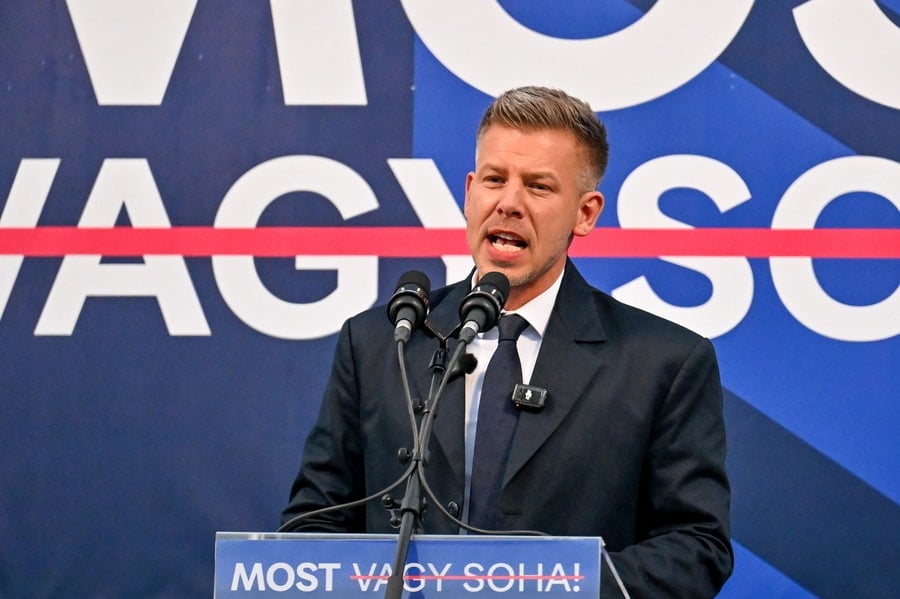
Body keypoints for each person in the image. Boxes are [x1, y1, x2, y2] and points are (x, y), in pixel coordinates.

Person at [282, 86, 733, 598]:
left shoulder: (663, 362)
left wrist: (554, 588)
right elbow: (311, 525)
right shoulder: (381, 342)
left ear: (585, 214)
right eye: (495, 180)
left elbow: (696, 546)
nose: (509, 203)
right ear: (470, 191)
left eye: (539, 187)